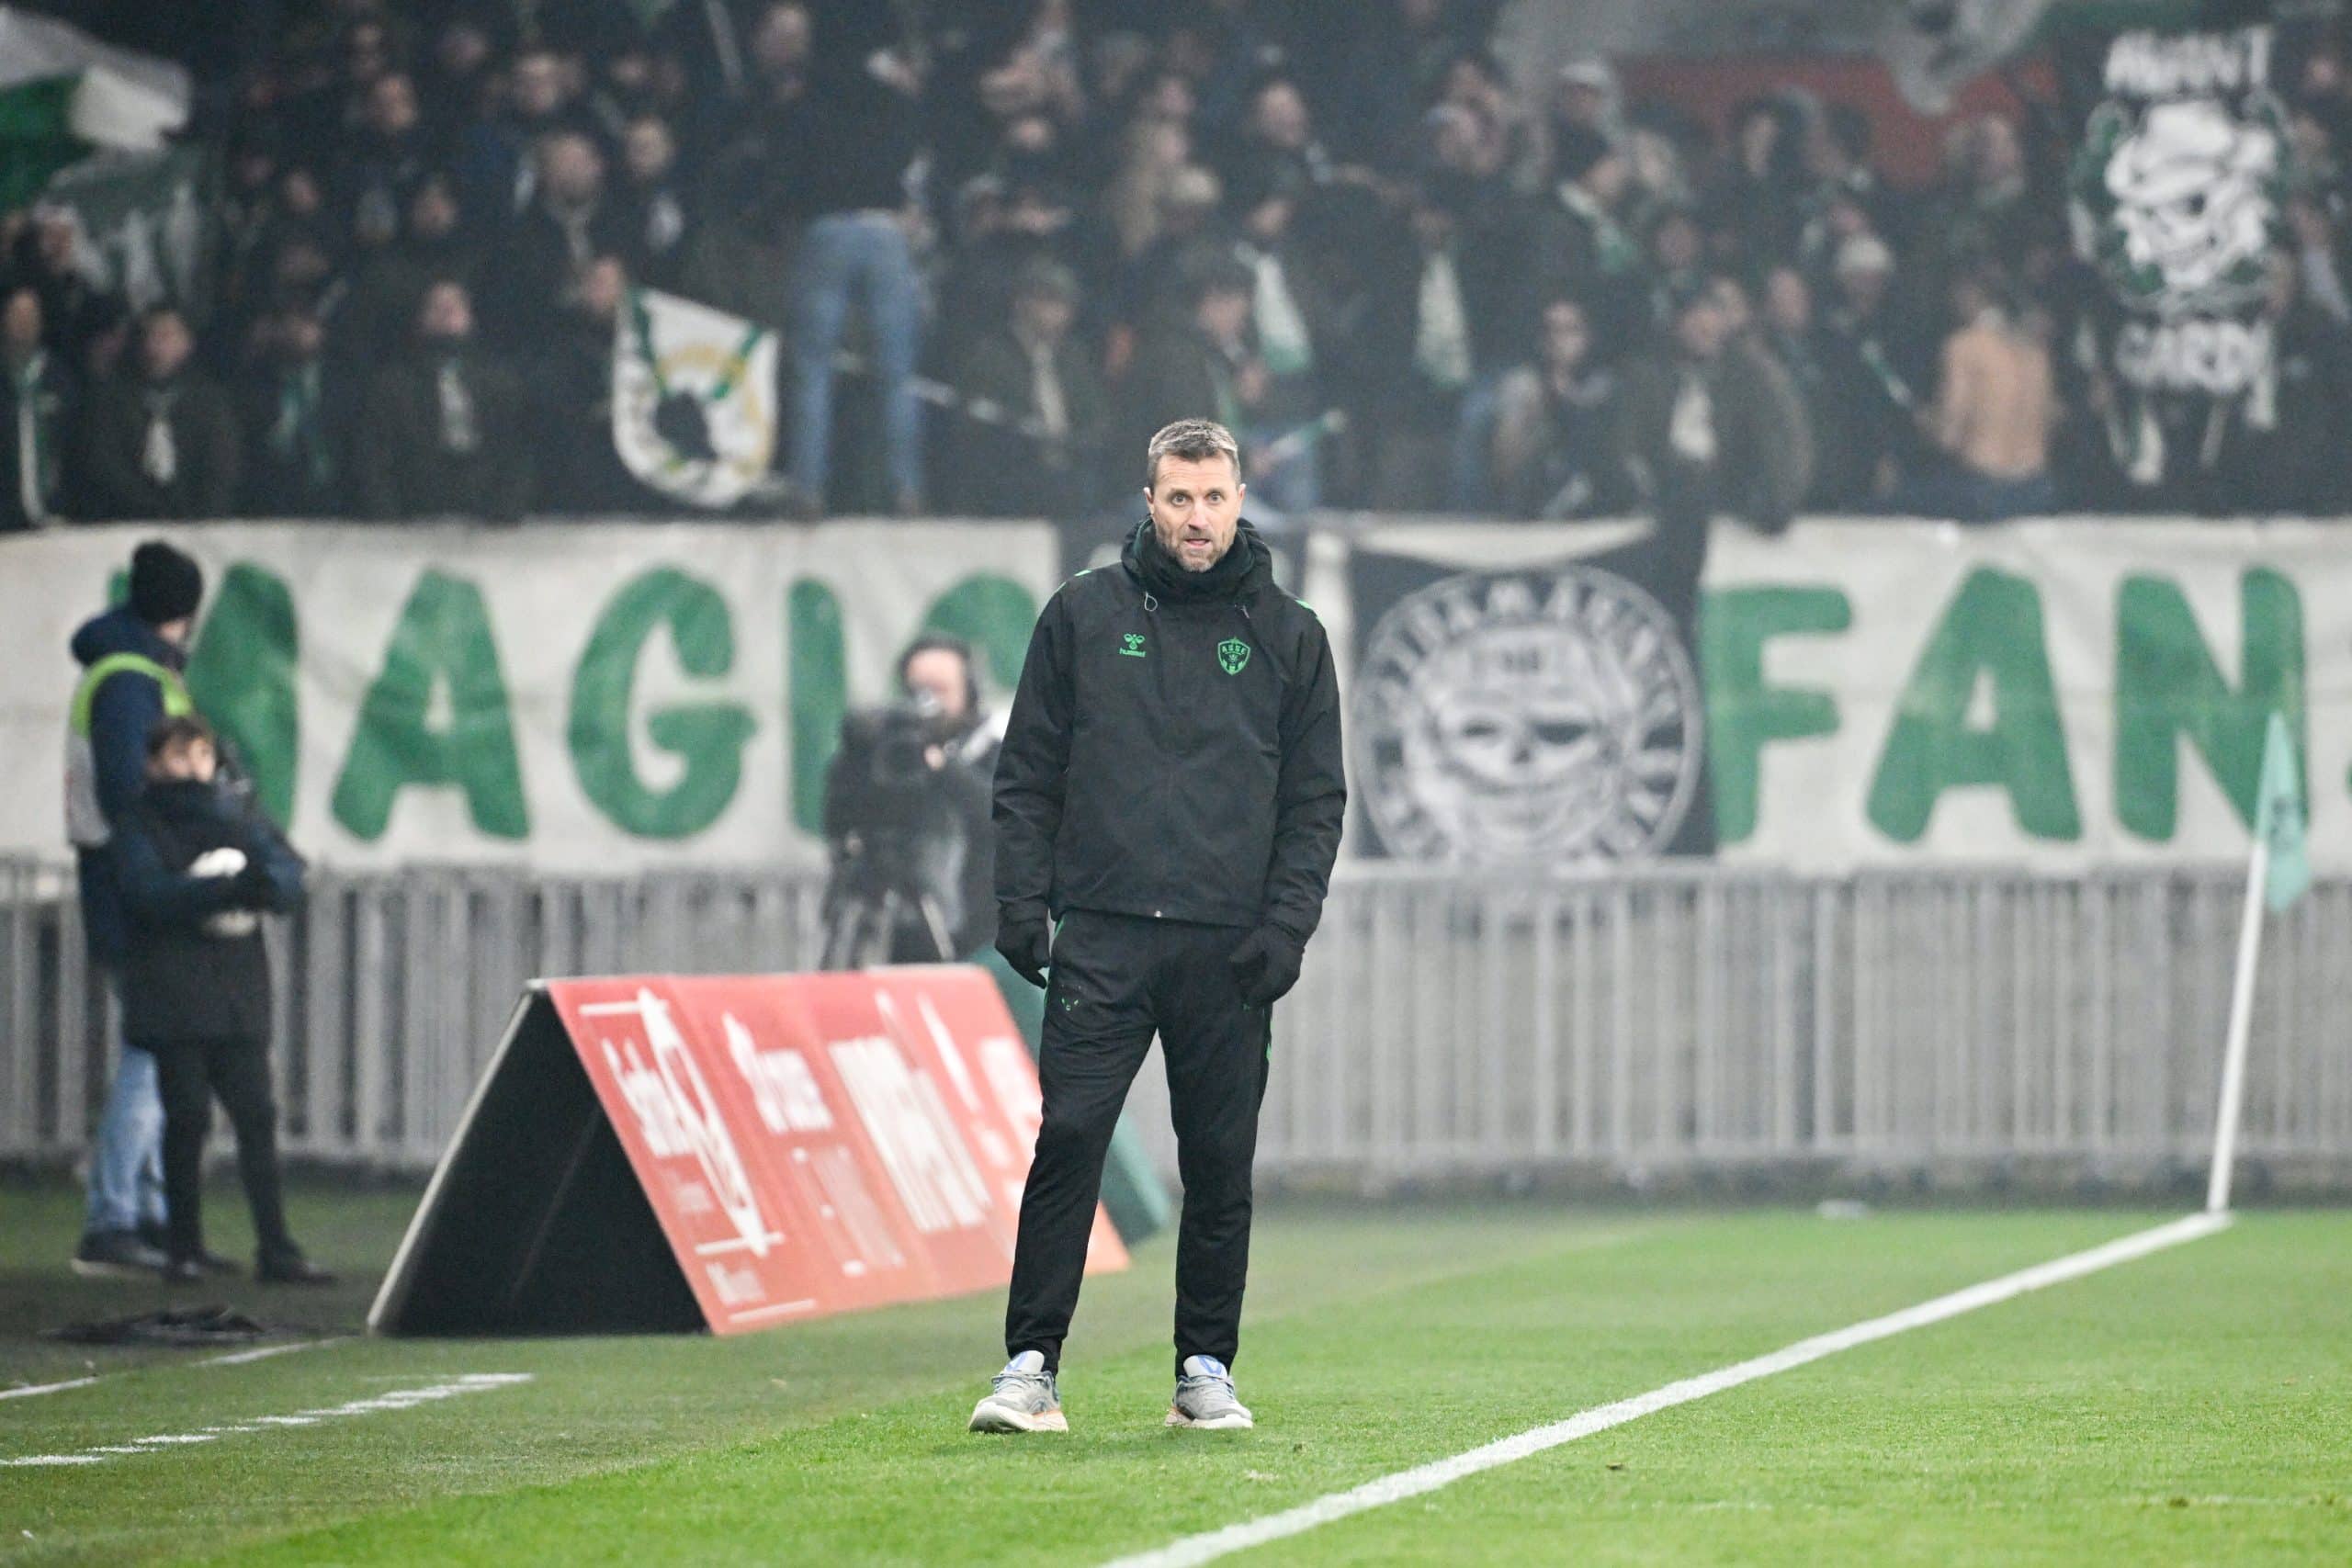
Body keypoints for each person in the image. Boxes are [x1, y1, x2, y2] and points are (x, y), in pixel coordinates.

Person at [973, 418, 1345, 1435]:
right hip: (1104, 934)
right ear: (1148, 501)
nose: (1196, 517)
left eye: (1213, 498)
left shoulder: (1290, 634)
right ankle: (1028, 1369)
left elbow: (1316, 803)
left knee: (1219, 1161)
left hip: (1229, 950)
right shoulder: (1080, 616)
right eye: (1178, 498)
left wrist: (1286, 928)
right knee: (1071, 1140)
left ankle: (1203, 1370)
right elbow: (1028, 775)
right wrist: (1021, 903)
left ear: (1239, 502)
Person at [112, 715, 331, 1286]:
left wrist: (257, 886)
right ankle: (184, 1247)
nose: (193, 768)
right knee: (186, 1118)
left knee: (257, 1117)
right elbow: (145, 895)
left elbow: (287, 873)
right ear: (154, 764)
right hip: (175, 991)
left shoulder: (237, 814)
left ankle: (276, 1248)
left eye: (201, 756)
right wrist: (227, 889)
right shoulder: (139, 821)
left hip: (236, 991)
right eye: (179, 757)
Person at [63, 540, 204, 1276]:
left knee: (155, 1048)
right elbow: (132, 796)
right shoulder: (130, 682)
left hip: (122, 883)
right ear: (186, 611)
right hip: (132, 890)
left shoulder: (121, 669)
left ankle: (143, 1211)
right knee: (151, 1051)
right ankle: (115, 1215)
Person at [820, 633, 1003, 964]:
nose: (928, 702)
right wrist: (857, 757)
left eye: (941, 690)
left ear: (969, 692)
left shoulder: (996, 746)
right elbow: (838, 821)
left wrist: (942, 767)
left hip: (979, 935)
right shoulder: (889, 749)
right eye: (918, 689)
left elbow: (1004, 815)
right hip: (900, 928)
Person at [355, 280, 533, 520]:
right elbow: (376, 458)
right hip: (415, 510)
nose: (446, 313)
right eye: (436, 307)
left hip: (486, 510)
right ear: (420, 318)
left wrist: (507, 513)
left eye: (455, 306)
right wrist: (388, 519)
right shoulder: (393, 384)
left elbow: (517, 451)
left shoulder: (500, 381)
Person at [75, 307, 242, 521]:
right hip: (126, 523)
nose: (155, 345)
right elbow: (105, 464)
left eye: (166, 335)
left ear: (187, 342)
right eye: (150, 335)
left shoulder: (209, 402)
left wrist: (203, 517)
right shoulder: (112, 398)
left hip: (198, 523)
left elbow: (221, 467)